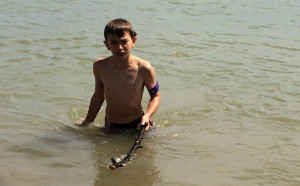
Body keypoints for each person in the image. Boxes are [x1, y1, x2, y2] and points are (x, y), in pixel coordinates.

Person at [75, 18, 161, 131]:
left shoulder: (144, 68)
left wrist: (147, 115)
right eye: (114, 43)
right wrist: (87, 122)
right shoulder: (100, 66)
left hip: (138, 124)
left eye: (124, 42)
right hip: (111, 125)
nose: (120, 47)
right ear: (107, 45)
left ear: (133, 41)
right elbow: (98, 96)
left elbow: (155, 96)